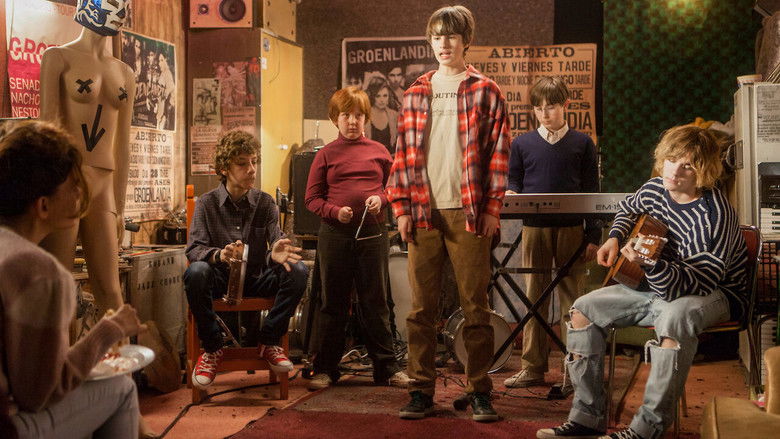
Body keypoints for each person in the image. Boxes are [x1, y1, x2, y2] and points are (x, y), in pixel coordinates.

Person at [536, 125, 748, 439]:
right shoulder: (655, 188)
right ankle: (587, 417)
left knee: (675, 318)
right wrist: (615, 236)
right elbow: (629, 208)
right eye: (671, 160)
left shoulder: (714, 216)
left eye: (687, 165)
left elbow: (698, 283)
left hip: (714, 292)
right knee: (582, 310)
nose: (674, 170)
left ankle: (646, 430)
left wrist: (649, 263)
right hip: (657, 284)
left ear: (704, 171)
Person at [387, 5, 511, 423]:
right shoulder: (415, 92)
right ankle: (420, 390)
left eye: (452, 36)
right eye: (437, 36)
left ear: (466, 41)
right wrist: (401, 208)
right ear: (431, 41)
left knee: (475, 308)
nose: (444, 43)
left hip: (468, 212)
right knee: (420, 310)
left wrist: (492, 209)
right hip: (423, 211)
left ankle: (479, 392)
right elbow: (402, 155)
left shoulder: (486, 90)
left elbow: (499, 154)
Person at [0, 120, 144, 439]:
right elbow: (39, 394)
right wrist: (110, 330)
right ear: (43, 205)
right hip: (8, 427)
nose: (80, 192)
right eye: (73, 185)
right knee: (121, 389)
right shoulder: (39, 270)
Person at [304, 86, 410, 391]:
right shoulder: (325, 155)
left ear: (366, 118)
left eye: (358, 115)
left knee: (376, 302)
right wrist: (335, 211)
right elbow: (311, 199)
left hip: (373, 234)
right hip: (335, 235)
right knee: (332, 303)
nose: (352, 121)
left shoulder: (380, 151)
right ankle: (325, 369)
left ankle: (387, 369)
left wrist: (382, 198)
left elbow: (394, 188)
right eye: (345, 115)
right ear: (334, 119)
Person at [185, 130, 308, 389]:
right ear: (224, 169)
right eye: (242, 163)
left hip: (256, 279)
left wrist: (275, 252)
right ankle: (213, 348)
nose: (252, 169)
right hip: (220, 280)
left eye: (253, 161)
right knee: (195, 272)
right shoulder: (206, 203)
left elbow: (276, 240)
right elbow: (194, 249)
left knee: (297, 270)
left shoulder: (265, 202)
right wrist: (219, 254)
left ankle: (269, 340)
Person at [39, 0, 136, 316]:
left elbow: (122, 146)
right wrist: (47, 190)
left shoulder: (125, 73)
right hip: (65, 180)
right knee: (59, 288)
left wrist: (120, 207)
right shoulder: (58, 57)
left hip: (104, 186)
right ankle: (61, 352)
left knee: (110, 289)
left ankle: (117, 350)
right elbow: (47, 132)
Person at [503, 76, 600, 391]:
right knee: (535, 297)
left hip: (572, 229)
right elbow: (514, 181)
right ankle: (533, 367)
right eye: (539, 108)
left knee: (575, 300)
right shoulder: (521, 144)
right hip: (534, 229)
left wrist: (593, 236)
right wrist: (511, 193)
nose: (545, 113)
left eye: (552, 106)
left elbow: (592, 191)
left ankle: (575, 369)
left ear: (565, 105)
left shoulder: (583, 143)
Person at [364, 78, 400, 154]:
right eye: (378, 96)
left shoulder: (394, 115)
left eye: (385, 96)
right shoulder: (364, 116)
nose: (382, 100)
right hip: (370, 158)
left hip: (390, 158)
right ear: (372, 96)